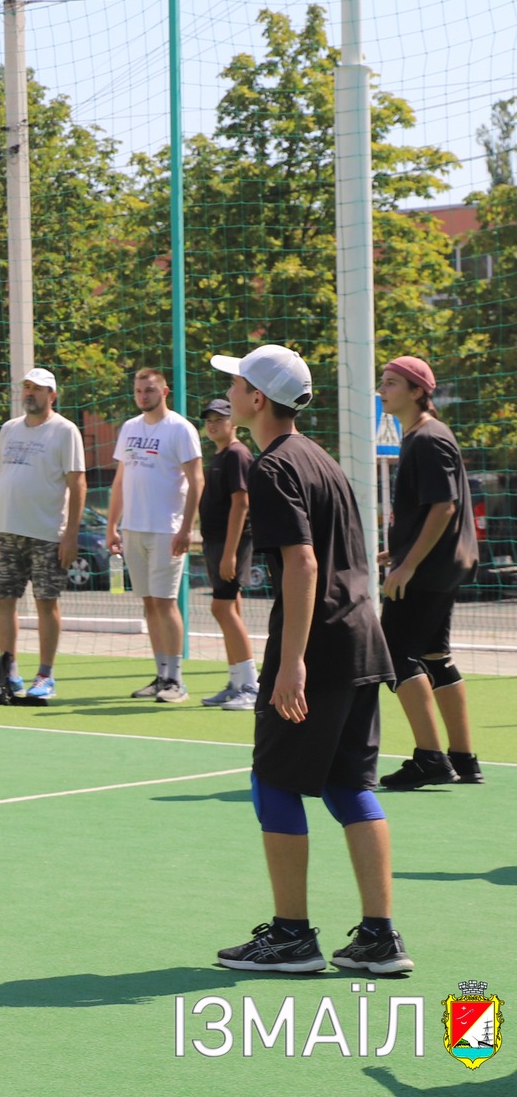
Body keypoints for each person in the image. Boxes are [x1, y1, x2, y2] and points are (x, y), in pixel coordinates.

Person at [209, 344, 410, 975]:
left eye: (237, 382)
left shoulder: (272, 469)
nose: (231, 390)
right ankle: (380, 937)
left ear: (257, 399)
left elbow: (303, 562)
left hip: (317, 646)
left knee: (272, 782)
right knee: (350, 785)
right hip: (359, 639)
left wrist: (290, 661)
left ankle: (293, 936)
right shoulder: (321, 459)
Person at [374, 356, 484, 790]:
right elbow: (432, 511)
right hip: (437, 566)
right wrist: (397, 551)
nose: (383, 390)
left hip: (429, 570)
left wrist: (408, 565)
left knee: (393, 654)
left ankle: (430, 758)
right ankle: (464, 759)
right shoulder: (421, 437)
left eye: (392, 383)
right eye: (382, 383)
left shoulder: (427, 438)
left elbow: (445, 506)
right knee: (436, 657)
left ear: (418, 391)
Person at [0, 367, 87, 699]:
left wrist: (70, 535)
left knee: (45, 602)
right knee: (1, 599)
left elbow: (77, 483)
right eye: (26, 387)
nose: (30, 393)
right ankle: (9, 669)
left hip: (47, 535)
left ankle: (45, 676)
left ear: (52, 395)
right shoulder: (9, 429)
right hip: (7, 534)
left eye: (38, 389)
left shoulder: (65, 431)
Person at [107, 368, 204, 704]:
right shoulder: (130, 429)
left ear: (164, 392)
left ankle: (177, 680)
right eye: (137, 391)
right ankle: (162, 674)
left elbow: (197, 481)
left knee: (165, 603)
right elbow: (120, 481)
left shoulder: (180, 429)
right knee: (149, 604)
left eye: (149, 390)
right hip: (134, 529)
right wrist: (112, 525)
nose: (142, 396)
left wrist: (186, 527)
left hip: (167, 530)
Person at [197, 399, 261, 711]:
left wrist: (230, 554)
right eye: (208, 419)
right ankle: (237, 682)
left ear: (232, 421)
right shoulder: (220, 454)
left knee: (221, 609)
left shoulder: (237, 453)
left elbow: (242, 504)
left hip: (230, 544)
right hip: (216, 543)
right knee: (229, 609)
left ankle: (251, 685)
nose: (213, 424)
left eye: (219, 419)